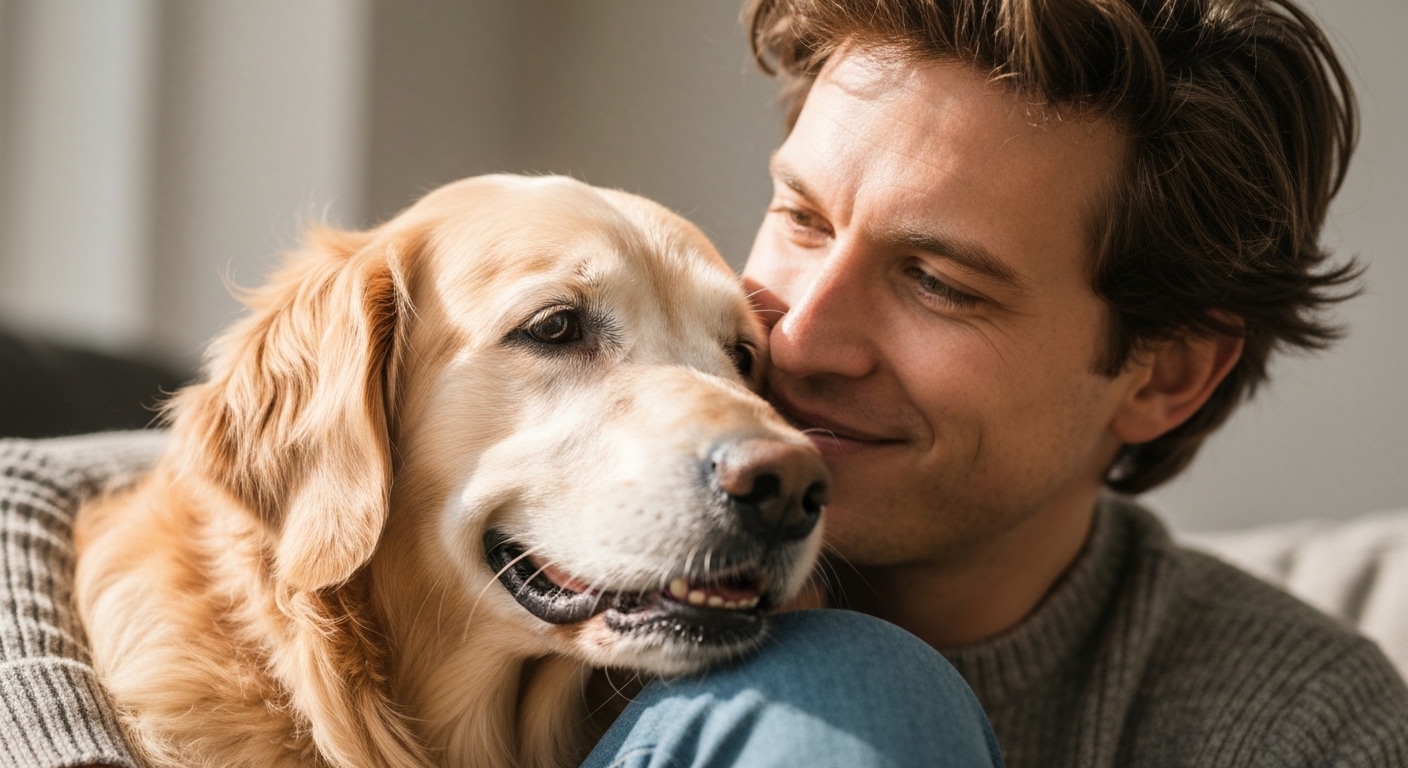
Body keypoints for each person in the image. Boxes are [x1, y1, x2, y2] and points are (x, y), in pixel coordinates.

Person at [2, 0, 1406, 766]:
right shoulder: (582, 603)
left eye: (940, 282)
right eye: (798, 219)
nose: (791, 347)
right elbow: (77, 486)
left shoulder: (1293, 724)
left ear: (1162, 376)